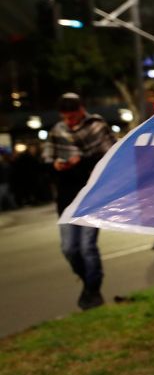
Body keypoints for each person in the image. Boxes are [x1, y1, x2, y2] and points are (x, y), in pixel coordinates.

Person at [43, 93, 116, 310]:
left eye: (73, 117)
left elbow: (109, 156)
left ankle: (92, 291)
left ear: (82, 110)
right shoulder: (58, 131)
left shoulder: (97, 125)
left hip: (91, 195)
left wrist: (81, 160)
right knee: (69, 249)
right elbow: (47, 160)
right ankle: (88, 283)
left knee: (87, 247)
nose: (70, 123)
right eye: (66, 118)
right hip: (66, 198)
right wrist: (56, 165)